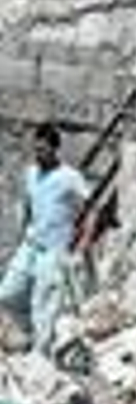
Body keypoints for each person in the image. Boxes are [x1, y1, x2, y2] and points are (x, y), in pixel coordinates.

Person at [0, 124, 87, 357]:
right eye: (36, 149)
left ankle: (40, 354)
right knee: (7, 292)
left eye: (43, 150)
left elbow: (91, 210)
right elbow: (28, 204)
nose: (38, 154)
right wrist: (22, 233)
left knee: (44, 305)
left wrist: (80, 246)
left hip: (54, 250)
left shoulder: (70, 177)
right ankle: (26, 332)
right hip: (30, 244)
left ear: (55, 149)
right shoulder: (31, 173)